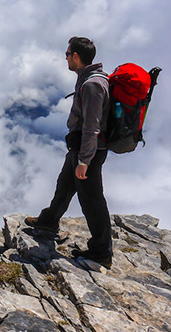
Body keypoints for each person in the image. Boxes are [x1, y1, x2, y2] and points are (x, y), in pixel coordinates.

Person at [25, 36, 113, 268]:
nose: (65, 57)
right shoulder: (88, 78)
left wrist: (84, 160)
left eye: (67, 54)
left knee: (92, 201)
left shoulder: (92, 84)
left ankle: (101, 252)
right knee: (64, 184)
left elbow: (92, 126)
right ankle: (48, 221)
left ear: (76, 56)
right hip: (80, 148)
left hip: (89, 152)